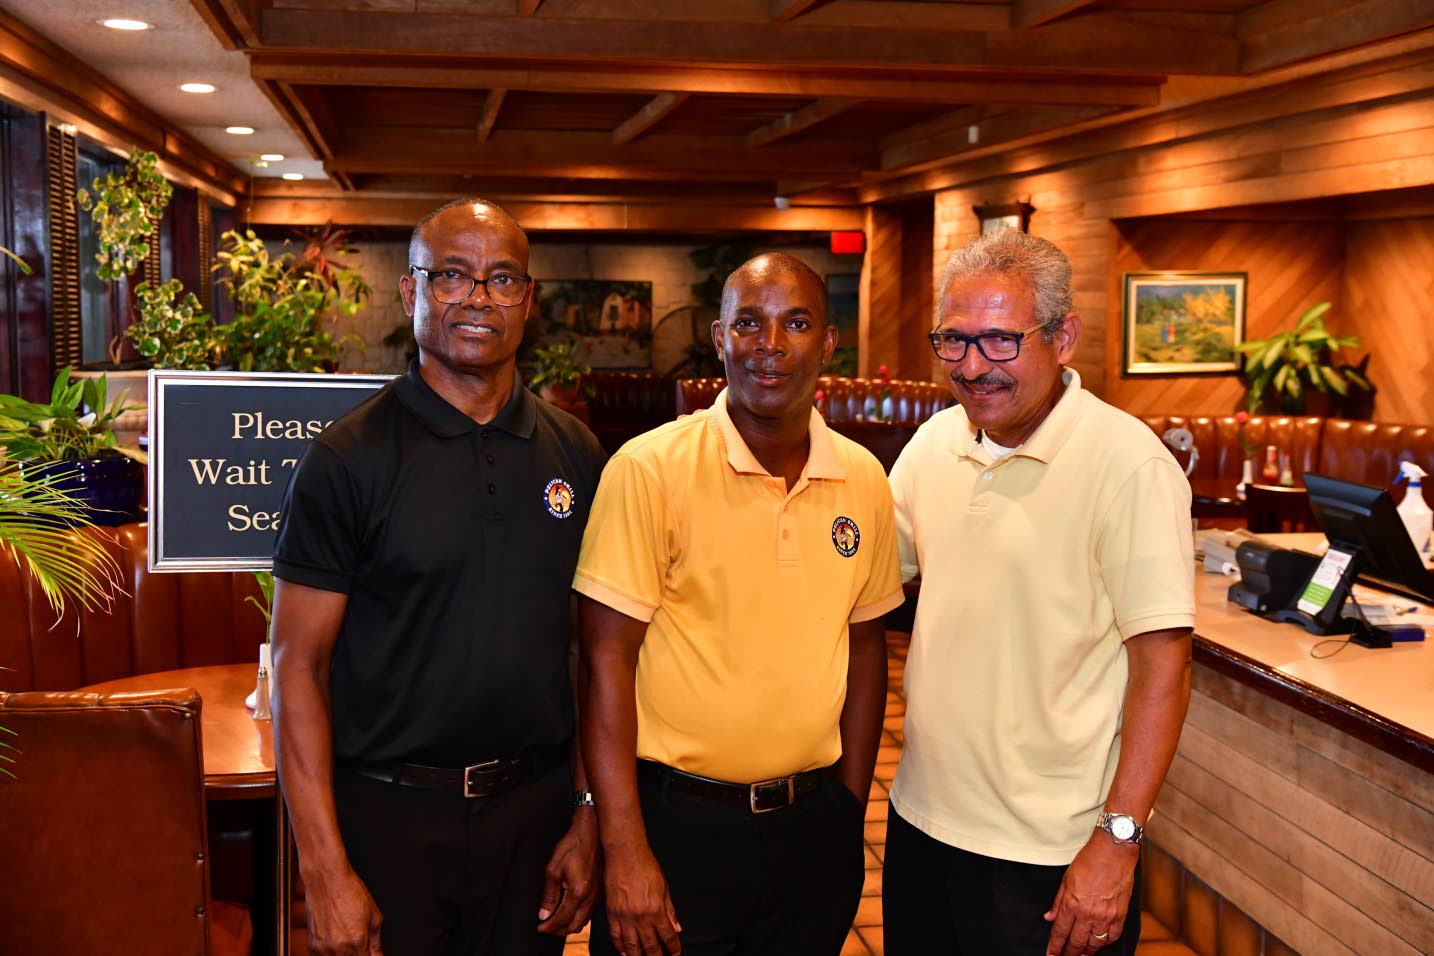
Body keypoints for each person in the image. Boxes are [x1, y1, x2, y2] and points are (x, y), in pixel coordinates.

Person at [270, 197, 606, 956]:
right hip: (387, 820)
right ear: (410, 290)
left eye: (502, 278)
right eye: (451, 274)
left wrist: (587, 816)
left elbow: (590, 656)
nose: (478, 298)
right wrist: (322, 867)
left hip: (533, 819)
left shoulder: (578, 454)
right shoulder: (346, 459)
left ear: (528, 299)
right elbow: (299, 667)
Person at [575, 253, 904, 956]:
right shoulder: (648, 469)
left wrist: (847, 809)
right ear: (720, 339)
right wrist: (623, 845)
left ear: (829, 343)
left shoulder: (865, 479)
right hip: (676, 827)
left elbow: (866, 645)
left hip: (812, 827)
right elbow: (604, 661)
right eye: (749, 323)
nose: (771, 345)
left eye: (797, 324)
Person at [883, 229, 1195, 956]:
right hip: (921, 822)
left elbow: (1165, 669)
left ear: (1064, 338)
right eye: (954, 341)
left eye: (1000, 341)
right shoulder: (933, 444)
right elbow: (862, 583)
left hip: (1051, 854)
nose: (972, 366)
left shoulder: (1129, 465)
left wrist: (1117, 841)